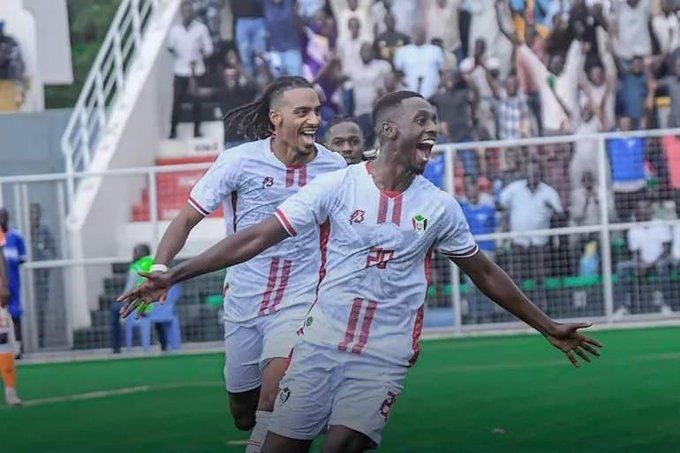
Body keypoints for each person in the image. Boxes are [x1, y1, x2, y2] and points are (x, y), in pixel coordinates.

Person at [120, 91, 601, 453]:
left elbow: (485, 273)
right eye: (422, 120)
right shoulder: (337, 186)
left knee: (342, 446)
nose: (433, 129)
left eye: (434, 121)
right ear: (389, 131)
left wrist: (546, 325)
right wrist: (174, 274)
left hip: (383, 357)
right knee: (263, 433)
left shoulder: (440, 207)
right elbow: (257, 236)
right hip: (317, 347)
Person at [122, 76, 345, 452]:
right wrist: (160, 269)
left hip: (302, 295)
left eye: (317, 112)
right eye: (302, 112)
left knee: (275, 394)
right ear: (276, 118)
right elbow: (187, 218)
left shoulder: (333, 167)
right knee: (243, 413)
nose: (313, 120)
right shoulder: (239, 161)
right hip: (244, 297)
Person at [500, 160, 564, 300]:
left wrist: (551, 209)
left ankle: (540, 307)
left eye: (535, 171)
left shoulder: (549, 192)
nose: (532, 174)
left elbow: (560, 215)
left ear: (540, 173)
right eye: (530, 171)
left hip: (539, 242)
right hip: (518, 241)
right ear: (525, 172)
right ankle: (517, 307)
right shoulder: (514, 188)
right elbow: (500, 204)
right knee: (515, 278)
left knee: (539, 278)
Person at [110, 244, 170, 353]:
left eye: (134, 252)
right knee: (158, 311)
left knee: (115, 308)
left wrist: (122, 299)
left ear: (139, 253)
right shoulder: (156, 264)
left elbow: (129, 290)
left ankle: (116, 348)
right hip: (160, 305)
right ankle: (164, 345)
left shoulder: (136, 267)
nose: (133, 255)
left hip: (142, 305)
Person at [167, 0, 214, 139]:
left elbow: (209, 49)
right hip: (180, 70)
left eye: (189, 11)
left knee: (196, 101)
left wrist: (199, 54)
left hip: (196, 70)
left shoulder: (201, 28)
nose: (187, 13)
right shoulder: (175, 30)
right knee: (177, 101)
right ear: (181, 12)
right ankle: (173, 130)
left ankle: (197, 130)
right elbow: (170, 47)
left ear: (192, 12)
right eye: (185, 11)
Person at [348, 42, 392, 143]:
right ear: (359, 53)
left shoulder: (383, 66)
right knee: (364, 141)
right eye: (363, 51)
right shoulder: (354, 68)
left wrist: (381, 95)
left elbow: (390, 84)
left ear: (373, 52)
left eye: (368, 50)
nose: (366, 53)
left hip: (378, 112)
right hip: (360, 112)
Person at [393, 24, 444, 99]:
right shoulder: (402, 51)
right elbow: (398, 72)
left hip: (432, 93)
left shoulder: (435, 50)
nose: (418, 35)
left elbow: (442, 71)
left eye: (420, 33)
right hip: (409, 93)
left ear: (425, 34)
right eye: (415, 33)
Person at [0, 209, 25, 356]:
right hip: (1, 284)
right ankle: (4, 351)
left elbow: (22, 259)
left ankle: (18, 348)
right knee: (1, 317)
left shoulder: (16, 236)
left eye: (3, 217)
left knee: (15, 314)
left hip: (13, 283)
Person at [262, 0, 303, 77]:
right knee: (277, 81)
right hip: (274, 52)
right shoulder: (266, 4)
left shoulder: (289, 2)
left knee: (296, 80)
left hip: (291, 50)